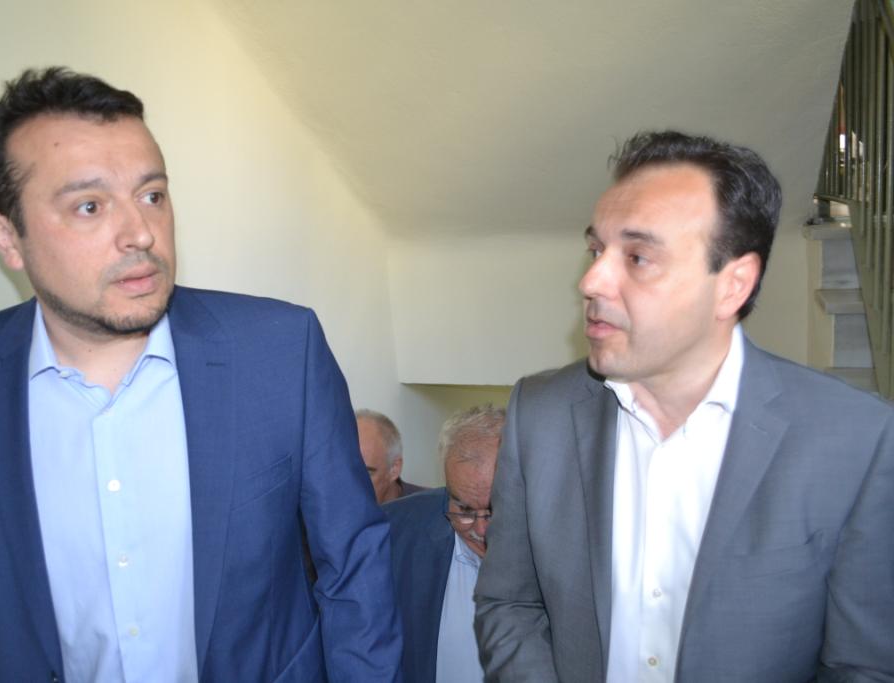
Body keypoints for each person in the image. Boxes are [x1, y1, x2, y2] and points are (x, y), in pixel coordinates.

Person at [0, 67, 402, 683]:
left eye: (152, 195)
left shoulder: (279, 351)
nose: (140, 233)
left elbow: (354, 566)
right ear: (8, 237)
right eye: (89, 206)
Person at [475, 130, 894, 682]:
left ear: (733, 286)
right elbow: (510, 603)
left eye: (638, 256)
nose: (591, 280)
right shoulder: (540, 414)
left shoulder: (856, 439)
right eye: (596, 250)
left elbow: (862, 665)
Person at [386, 405, 504, 683]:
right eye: (464, 509)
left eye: (495, 509)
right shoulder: (392, 535)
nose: (481, 529)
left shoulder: (569, 542)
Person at [356, 408, 427, 503]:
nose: (351, 486)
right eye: (343, 472)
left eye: (365, 474)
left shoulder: (433, 507)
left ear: (394, 469)